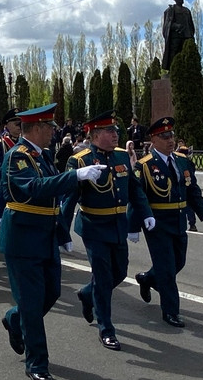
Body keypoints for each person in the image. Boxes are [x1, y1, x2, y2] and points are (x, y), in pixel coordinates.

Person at [0, 103, 106, 380]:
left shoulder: (42, 155)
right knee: (33, 304)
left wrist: (62, 232)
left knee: (52, 293)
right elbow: (33, 189)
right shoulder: (17, 157)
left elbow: (52, 197)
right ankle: (37, 363)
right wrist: (75, 176)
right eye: (49, 128)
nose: (53, 133)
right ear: (35, 128)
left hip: (44, 237)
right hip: (23, 238)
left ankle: (14, 318)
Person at [61, 111, 150, 351]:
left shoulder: (121, 156)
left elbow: (135, 189)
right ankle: (106, 329)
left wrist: (146, 213)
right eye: (111, 131)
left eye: (116, 131)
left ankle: (87, 294)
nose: (116, 135)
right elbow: (69, 198)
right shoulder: (80, 160)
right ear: (96, 134)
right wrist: (63, 231)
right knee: (102, 278)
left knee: (119, 272)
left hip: (118, 225)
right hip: (94, 226)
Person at [132, 117, 203, 328]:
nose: (170, 140)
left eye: (172, 135)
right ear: (154, 139)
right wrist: (133, 226)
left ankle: (148, 278)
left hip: (178, 221)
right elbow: (137, 197)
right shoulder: (145, 166)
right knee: (167, 269)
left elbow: (192, 190)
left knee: (179, 262)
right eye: (164, 136)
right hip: (156, 223)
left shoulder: (182, 161)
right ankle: (170, 311)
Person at [161, 0, 195, 71]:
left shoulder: (187, 11)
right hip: (176, 36)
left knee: (187, 53)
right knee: (174, 53)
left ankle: (186, 70)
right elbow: (167, 24)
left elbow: (190, 24)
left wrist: (191, 34)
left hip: (187, 36)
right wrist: (176, 26)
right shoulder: (171, 10)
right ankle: (173, 69)